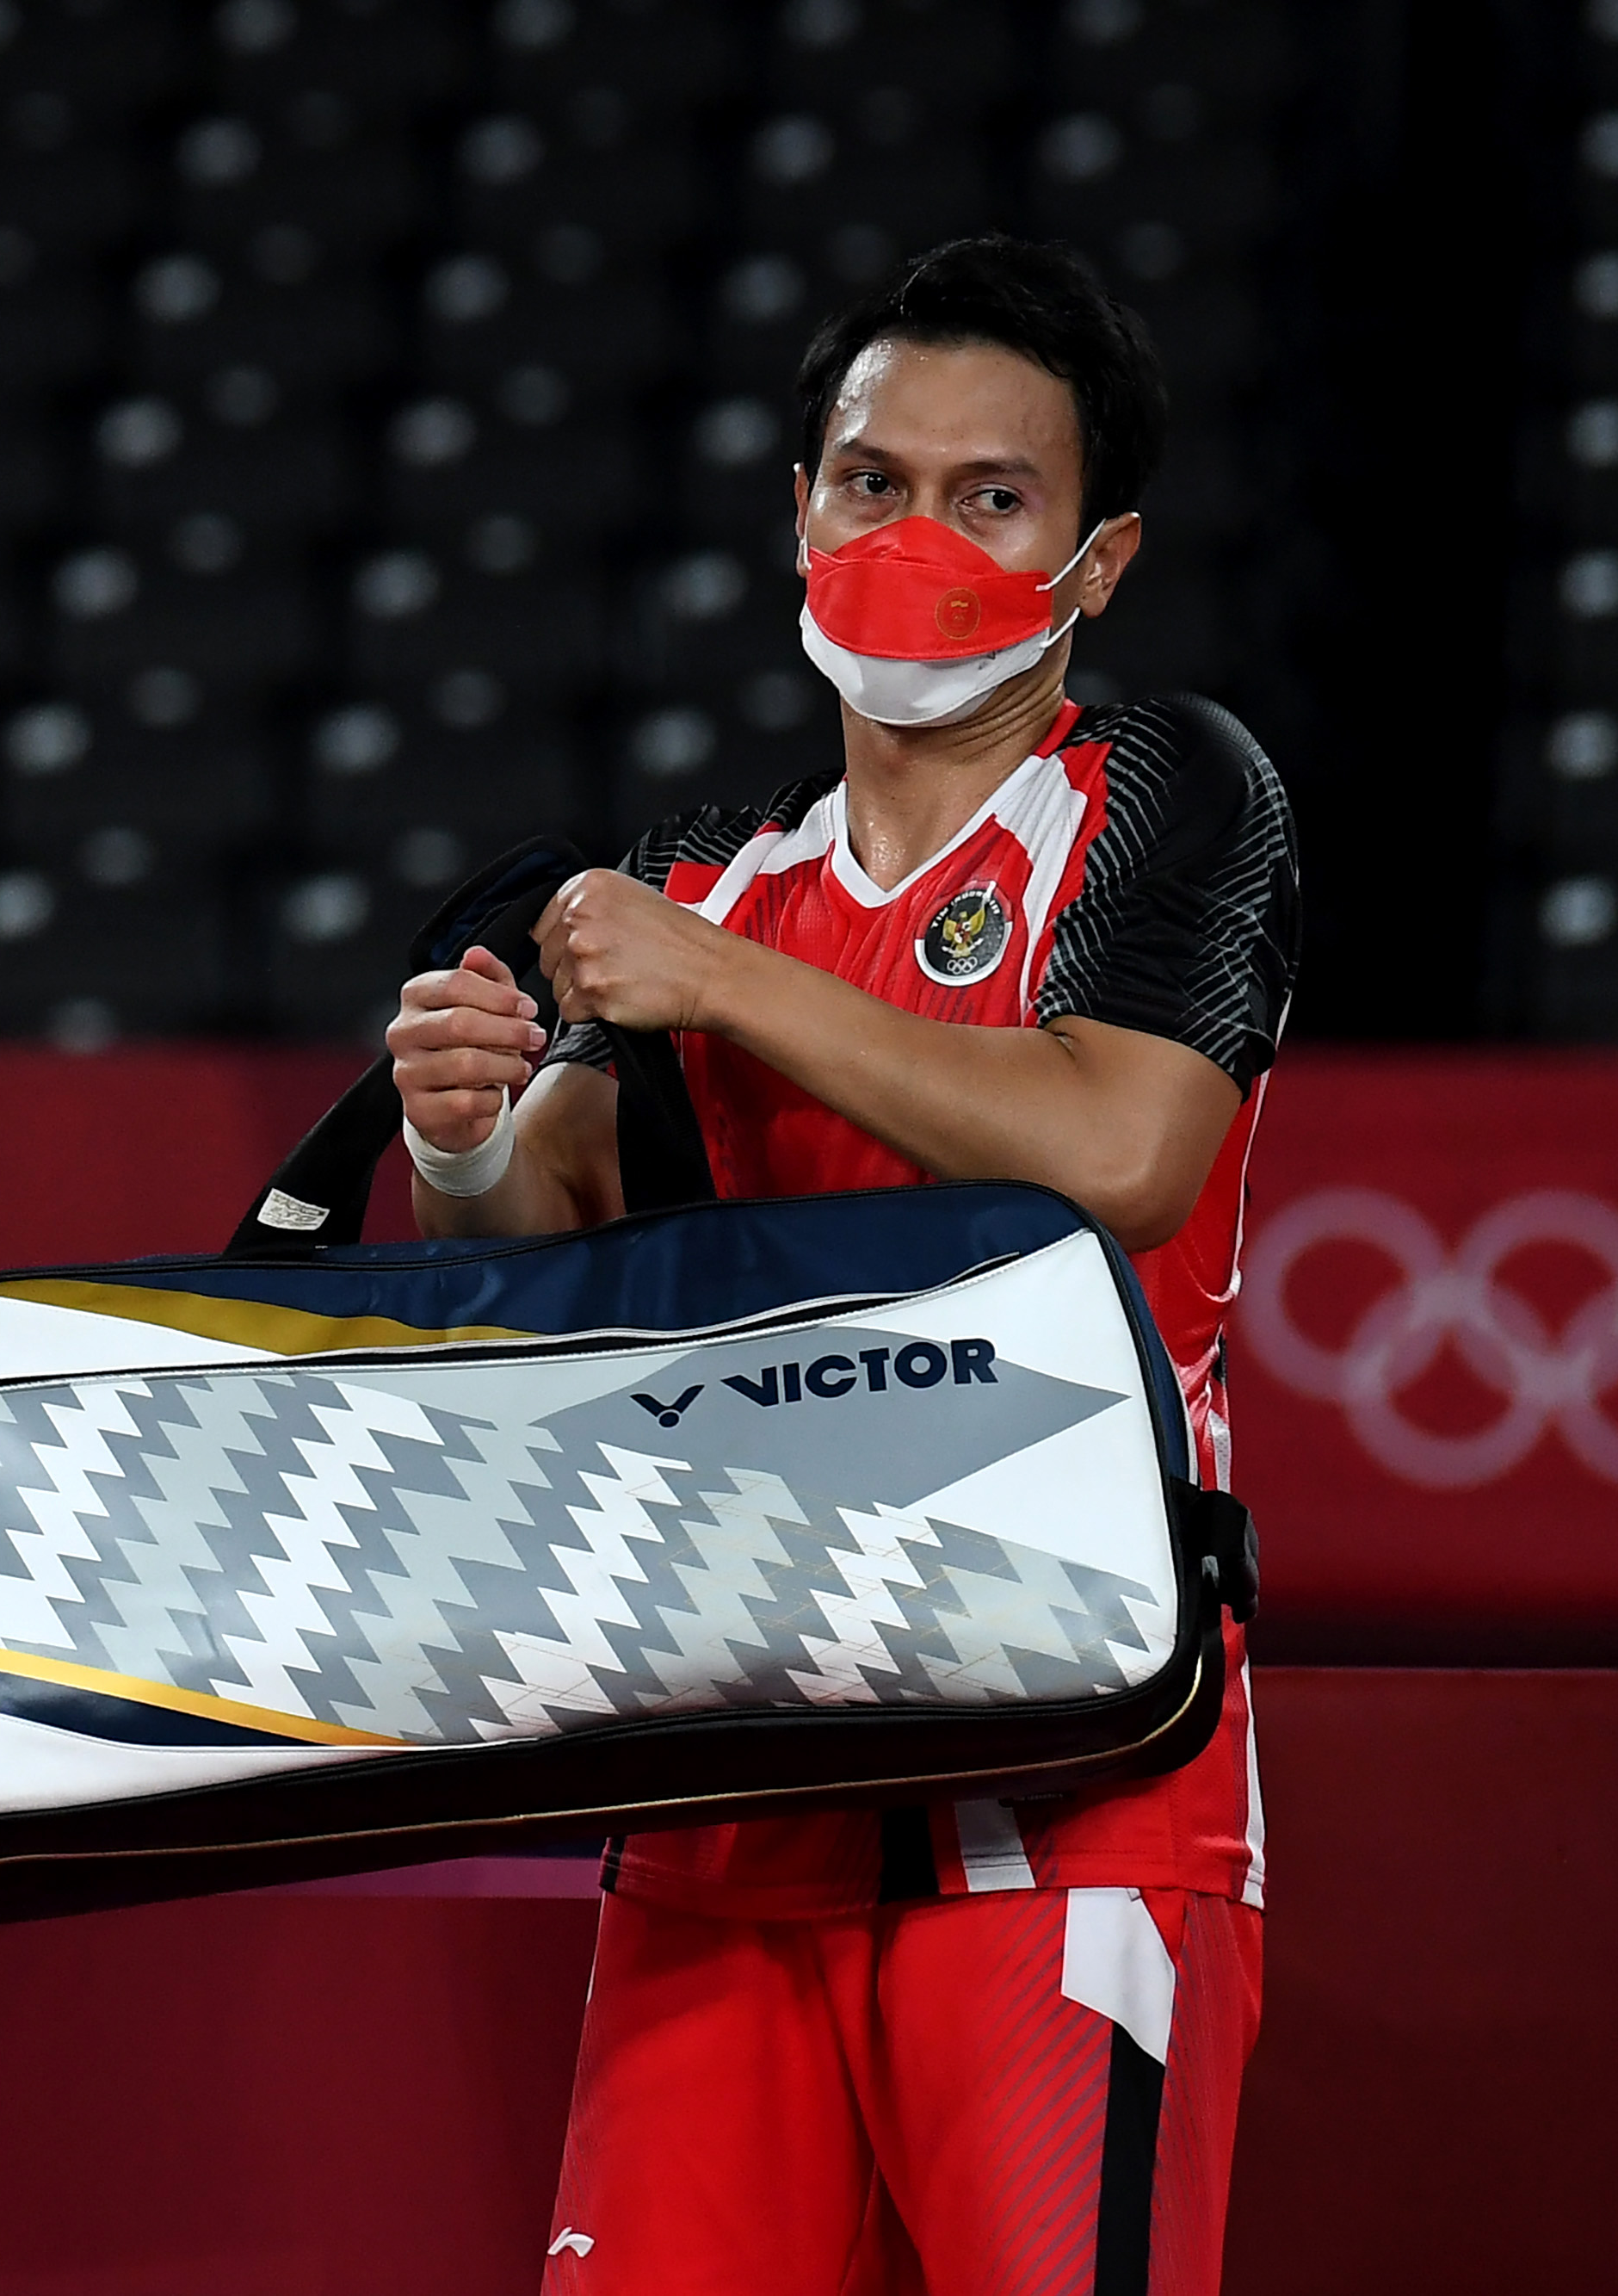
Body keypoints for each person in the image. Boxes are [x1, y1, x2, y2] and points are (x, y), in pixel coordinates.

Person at [390, 235, 1300, 2296]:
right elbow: (538, 1244)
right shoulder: (706, 874)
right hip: (731, 1785)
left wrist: (719, 981)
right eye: (873, 482)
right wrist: (458, 1136)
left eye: (993, 497)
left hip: (1070, 1788)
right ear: (798, 507)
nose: (915, 539)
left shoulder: (1164, 794)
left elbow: (1120, 1151)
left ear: (1096, 560)